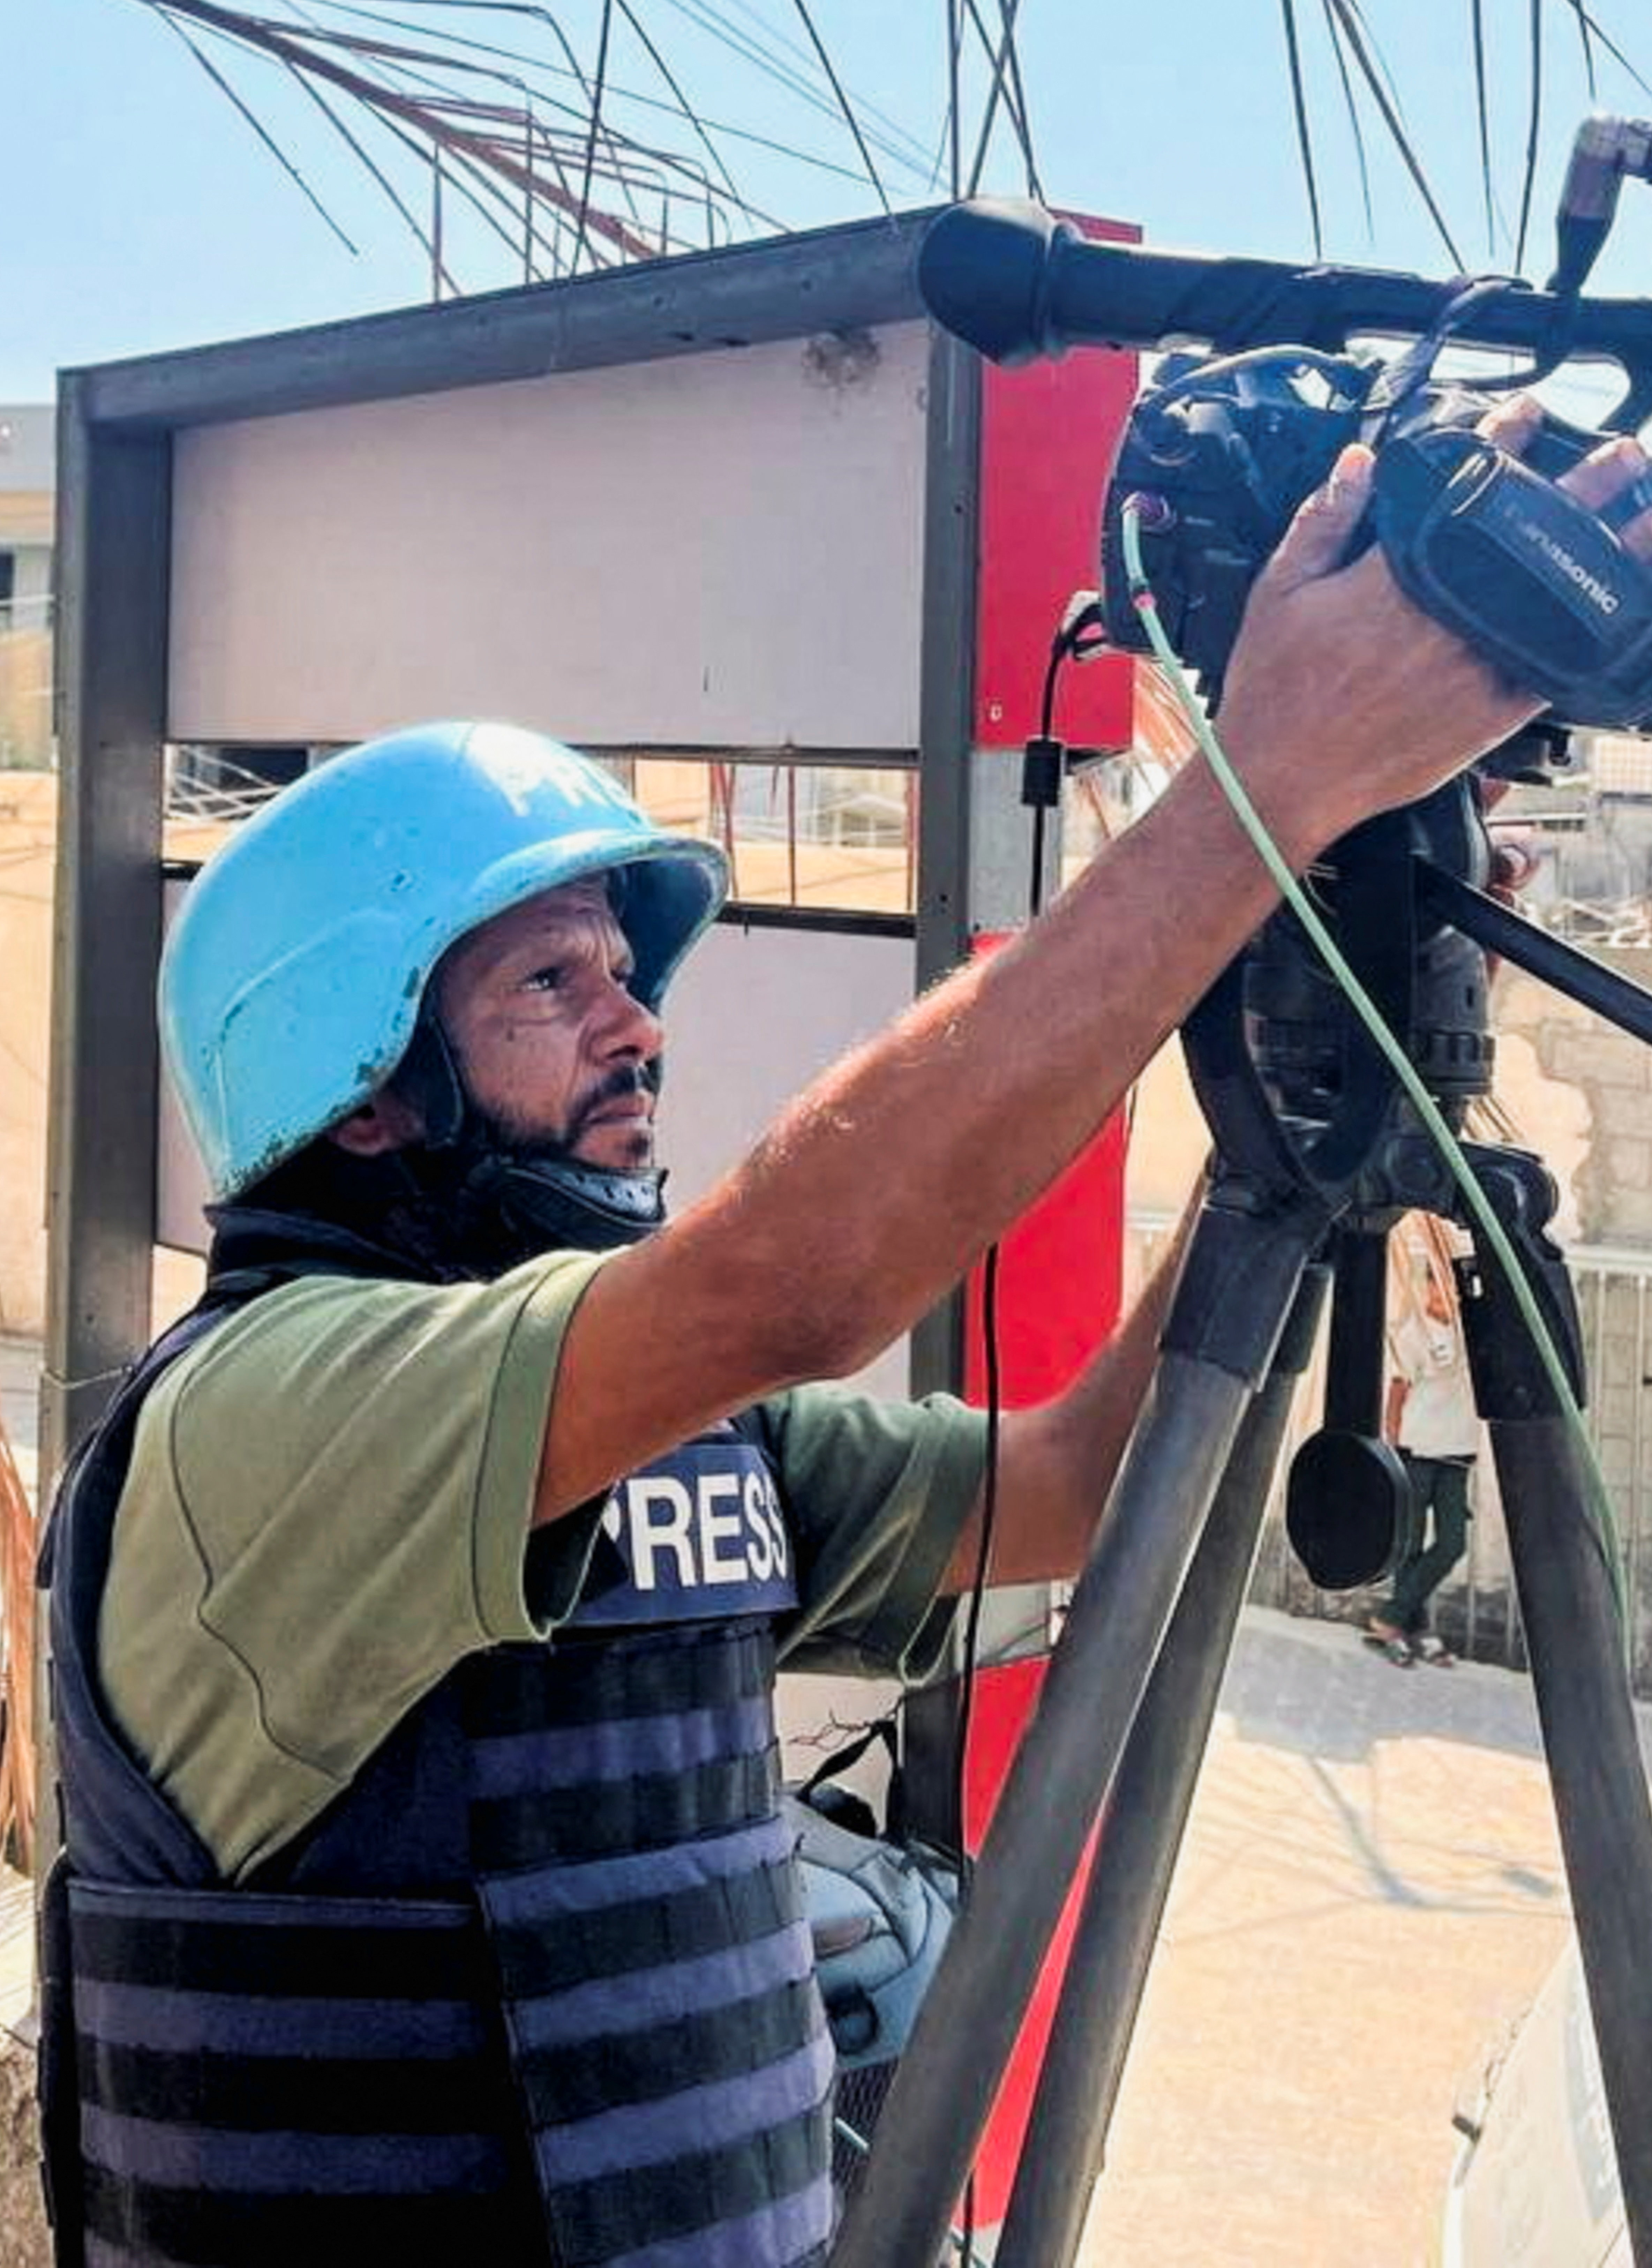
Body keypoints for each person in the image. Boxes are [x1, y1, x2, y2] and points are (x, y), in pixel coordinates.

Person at [38, 414, 1652, 2268]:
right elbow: (799, 1281)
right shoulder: (265, 1419)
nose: (636, 1027)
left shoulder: (649, 1436)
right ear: (369, 1093)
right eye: (549, 982)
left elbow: (1068, 1490)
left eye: (627, 974)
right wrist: (1265, 792)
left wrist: (1291, 1107)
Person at [1368, 1237, 1478, 1668]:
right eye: (1439, 1284)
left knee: (1451, 1541)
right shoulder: (1412, 1331)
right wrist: (1392, 1445)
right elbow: (1397, 1391)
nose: (1445, 1293)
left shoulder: (1471, 1329)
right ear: (1430, 1286)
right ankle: (1415, 1629)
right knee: (1409, 1545)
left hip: (1457, 1451)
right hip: (1417, 1448)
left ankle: (1390, 1618)